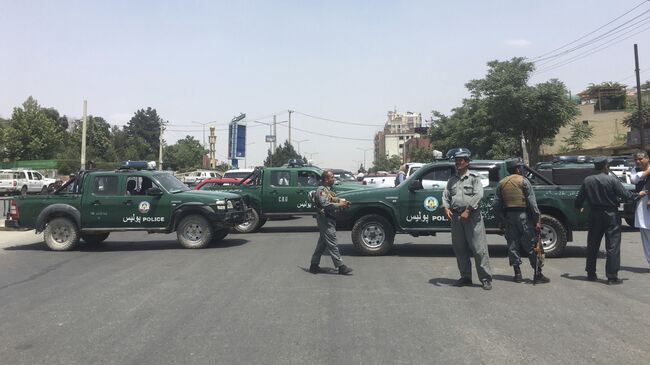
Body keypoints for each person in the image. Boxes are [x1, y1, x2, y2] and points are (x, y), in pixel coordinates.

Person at [575, 156, 644, 284]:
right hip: (610, 215)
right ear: (605, 166)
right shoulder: (611, 180)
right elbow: (626, 195)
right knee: (612, 246)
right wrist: (638, 195)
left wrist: (579, 207)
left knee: (592, 244)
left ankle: (591, 273)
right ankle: (612, 277)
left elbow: (579, 199)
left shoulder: (588, 180)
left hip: (594, 214)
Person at [442, 150, 493, 290]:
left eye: (461, 160)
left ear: (467, 162)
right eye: (456, 160)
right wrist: (446, 208)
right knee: (460, 248)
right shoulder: (452, 180)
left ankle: (485, 278)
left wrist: (468, 210)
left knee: (478, 248)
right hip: (457, 217)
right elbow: (445, 195)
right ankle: (465, 277)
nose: (458, 163)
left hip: (472, 217)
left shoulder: (474, 178)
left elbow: (479, 195)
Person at [493, 158, 549, 284]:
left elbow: (496, 205)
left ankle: (517, 273)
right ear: (518, 169)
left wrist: (501, 220)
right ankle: (537, 273)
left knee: (512, 245)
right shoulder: (523, 181)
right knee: (531, 245)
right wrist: (537, 221)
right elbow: (533, 204)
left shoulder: (502, 183)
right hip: (523, 217)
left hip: (509, 217)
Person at [309, 170, 353, 275]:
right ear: (326, 179)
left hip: (329, 219)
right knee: (332, 243)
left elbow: (332, 198)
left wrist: (342, 202)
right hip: (325, 219)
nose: (334, 179)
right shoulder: (321, 190)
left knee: (322, 243)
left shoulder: (327, 190)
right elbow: (325, 204)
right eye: (332, 177)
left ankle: (314, 265)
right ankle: (340, 266)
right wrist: (340, 205)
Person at [630, 150, 650, 270]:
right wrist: (647, 172)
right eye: (636, 159)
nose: (638, 161)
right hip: (642, 207)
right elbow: (633, 180)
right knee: (646, 235)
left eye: (640, 159)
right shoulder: (635, 170)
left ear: (647, 158)